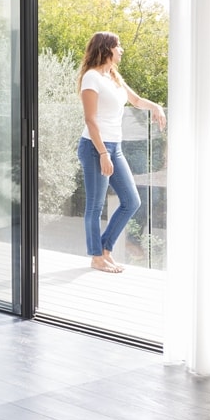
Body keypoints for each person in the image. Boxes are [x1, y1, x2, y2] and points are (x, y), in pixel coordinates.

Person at [76, 31, 166, 273]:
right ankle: (96, 257)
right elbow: (90, 119)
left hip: (115, 147)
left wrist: (156, 106)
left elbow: (135, 101)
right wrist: (103, 153)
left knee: (131, 201)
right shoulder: (91, 78)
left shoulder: (113, 77)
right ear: (106, 49)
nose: (122, 50)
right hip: (96, 148)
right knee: (95, 206)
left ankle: (105, 249)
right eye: (119, 46)